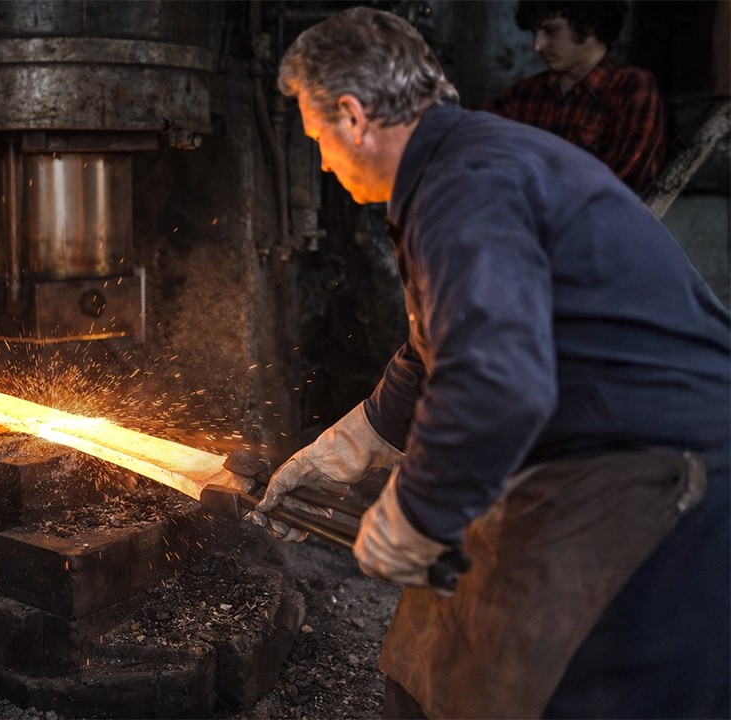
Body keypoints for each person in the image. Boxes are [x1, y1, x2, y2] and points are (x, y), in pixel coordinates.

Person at [253, 7, 729, 718]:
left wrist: (416, 512)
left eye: (318, 136)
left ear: (352, 117)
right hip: (603, 448)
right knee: (433, 652)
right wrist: (361, 440)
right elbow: (443, 339)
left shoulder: (464, 184)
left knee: (559, 686)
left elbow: (497, 379)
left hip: (662, 472)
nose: (321, 158)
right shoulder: (465, 164)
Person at [480, 1, 666, 194]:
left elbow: (625, 182)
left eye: (550, 31)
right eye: (534, 33)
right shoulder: (527, 93)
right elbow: (470, 130)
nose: (537, 46)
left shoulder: (631, 88)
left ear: (589, 26)